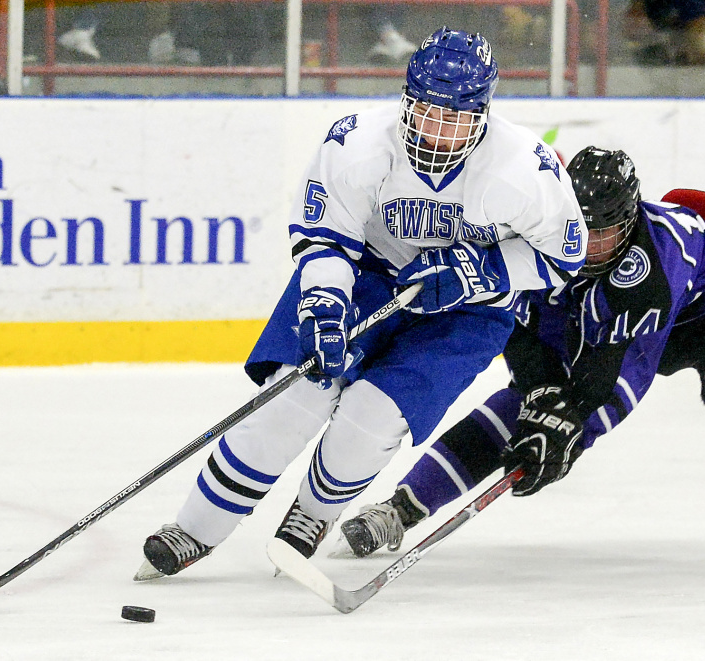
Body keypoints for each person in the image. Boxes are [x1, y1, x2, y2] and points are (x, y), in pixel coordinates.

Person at [133, 26, 586, 580]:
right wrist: (323, 309)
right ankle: (196, 528)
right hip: (368, 272)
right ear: (407, 97)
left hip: (472, 309)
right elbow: (328, 239)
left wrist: (480, 272)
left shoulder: (525, 168)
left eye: (456, 117)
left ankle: (311, 514)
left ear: (483, 112)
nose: (438, 130)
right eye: (427, 111)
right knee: (295, 398)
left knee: (372, 420)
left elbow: (563, 256)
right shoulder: (357, 143)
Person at [336, 146, 705, 572]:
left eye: (605, 231)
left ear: (630, 217)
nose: (588, 245)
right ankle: (400, 511)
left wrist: (571, 434)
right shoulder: (537, 229)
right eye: (579, 228)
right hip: (596, 313)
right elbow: (515, 326)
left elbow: (621, 378)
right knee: (517, 406)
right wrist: (541, 397)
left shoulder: (652, 264)